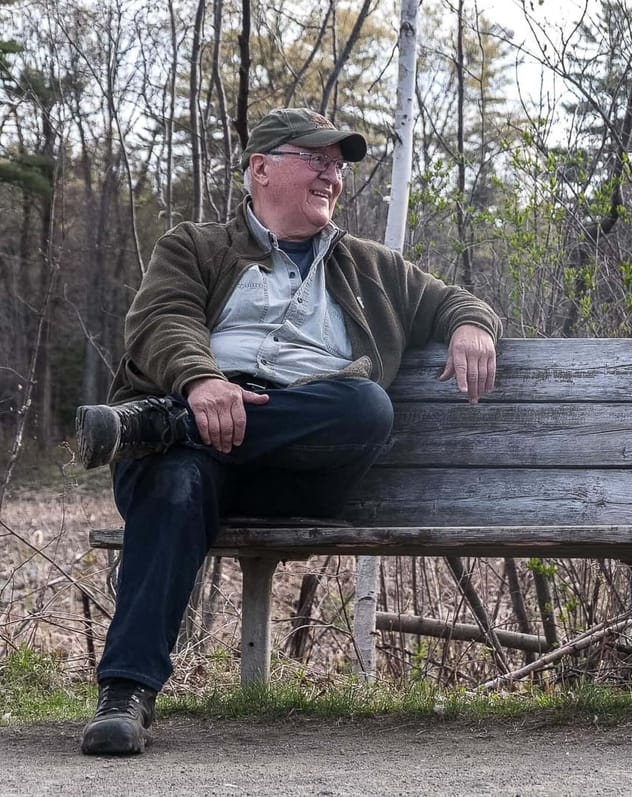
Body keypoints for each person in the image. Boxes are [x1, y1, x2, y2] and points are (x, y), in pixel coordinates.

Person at [73, 108, 502, 756]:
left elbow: (451, 300)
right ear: (261, 167)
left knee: (365, 407)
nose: (333, 173)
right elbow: (163, 319)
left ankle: (166, 427)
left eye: (338, 163)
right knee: (177, 481)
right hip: (202, 437)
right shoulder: (196, 247)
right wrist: (201, 383)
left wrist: (473, 325)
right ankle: (126, 695)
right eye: (317, 158)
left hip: (298, 465)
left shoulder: (369, 267)